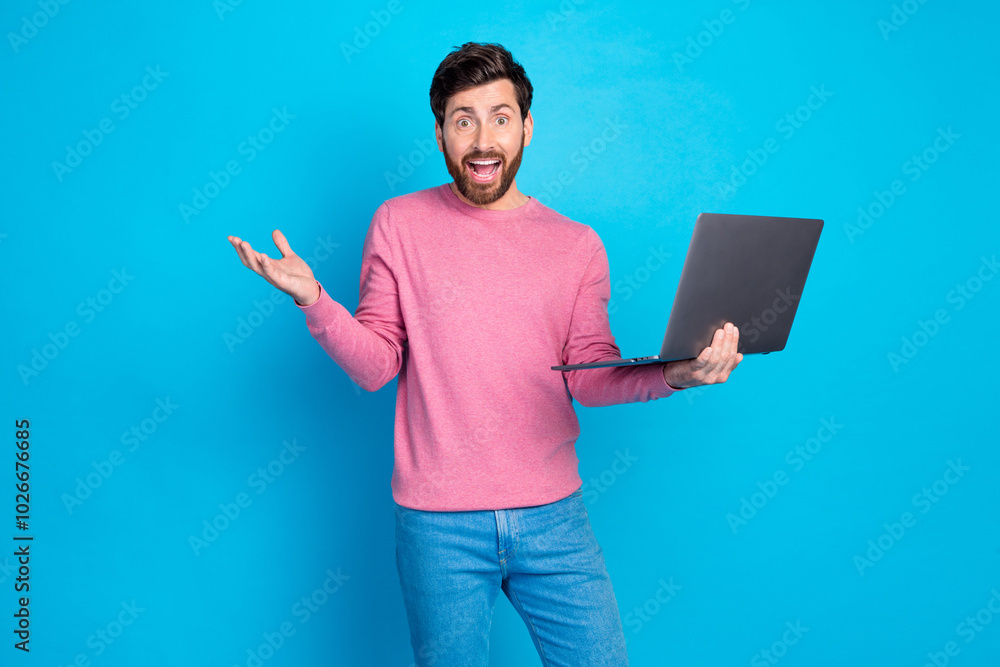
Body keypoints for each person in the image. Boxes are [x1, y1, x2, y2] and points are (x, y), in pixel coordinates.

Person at [228, 41, 741, 667]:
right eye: (463, 119)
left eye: (500, 117)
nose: (482, 139)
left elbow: (591, 375)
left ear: (526, 127)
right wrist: (315, 302)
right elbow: (376, 366)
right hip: (437, 527)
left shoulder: (576, 245)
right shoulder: (398, 223)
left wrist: (681, 373)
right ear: (441, 132)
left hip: (555, 520)